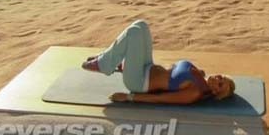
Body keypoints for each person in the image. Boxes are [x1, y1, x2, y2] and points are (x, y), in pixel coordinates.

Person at [82, 20, 236, 104]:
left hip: (138, 82)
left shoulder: (194, 92)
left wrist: (128, 97)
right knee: (141, 25)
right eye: (222, 77)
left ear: (215, 92)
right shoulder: (200, 75)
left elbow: (160, 98)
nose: (218, 78)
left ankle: (104, 64)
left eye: (220, 84)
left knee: (134, 33)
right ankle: (110, 60)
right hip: (147, 67)